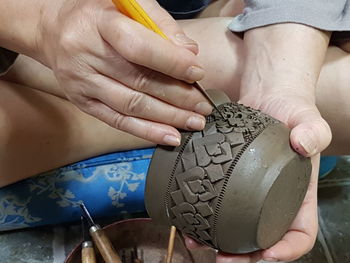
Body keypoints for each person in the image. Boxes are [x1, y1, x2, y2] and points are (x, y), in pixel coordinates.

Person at [1, 0, 349, 262]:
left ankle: (108, 105)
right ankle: (94, 113)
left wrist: (280, 79)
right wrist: (39, 22)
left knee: (340, 88)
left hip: (185, 22)